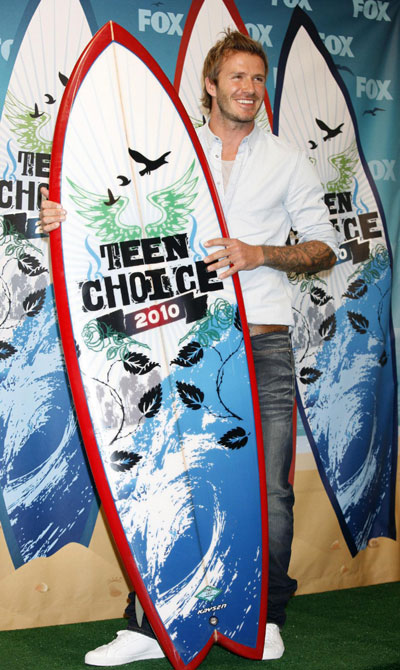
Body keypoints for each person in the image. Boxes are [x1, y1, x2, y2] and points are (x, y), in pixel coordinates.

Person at [40, 29, 338, 665]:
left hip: (260, 343)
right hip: (177, 339)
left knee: (271, 492)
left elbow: (323, 248)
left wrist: (260, 255)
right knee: (163, 473)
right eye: (237, 78)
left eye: (258, 80)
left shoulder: (285, 159)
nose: (249, 90)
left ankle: (264, 616)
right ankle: (148, 624)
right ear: (210, 84)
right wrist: (64, 220)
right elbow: (110, 212)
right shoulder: (171, 148)